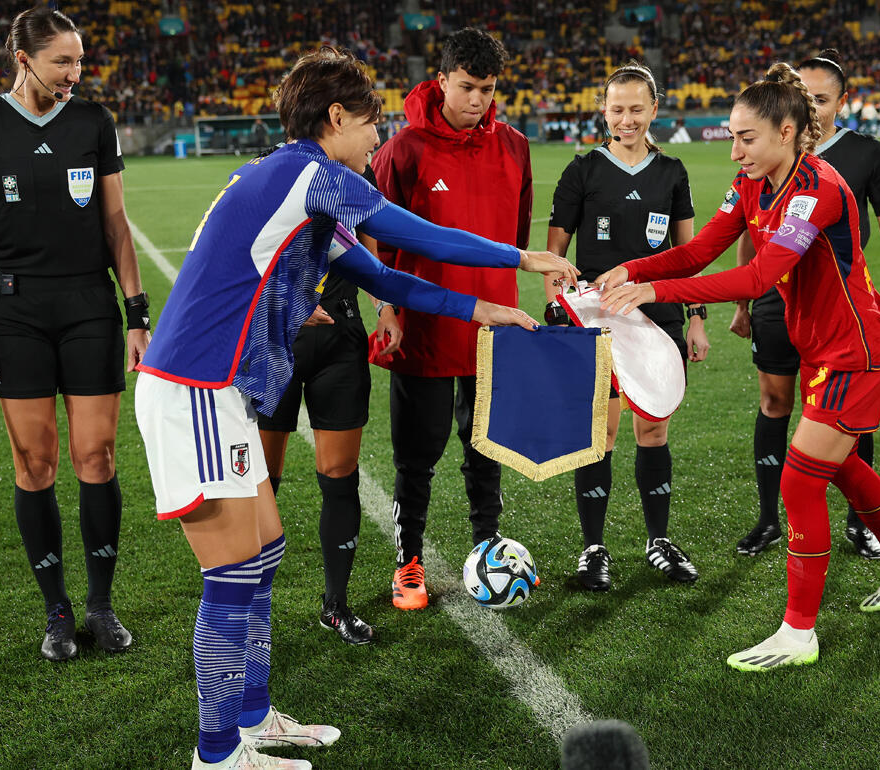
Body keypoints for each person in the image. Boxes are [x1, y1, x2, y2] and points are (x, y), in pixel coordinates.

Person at [133, 47, 576, 769]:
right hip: (196, 388)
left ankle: (253, 720)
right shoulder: (313, 175)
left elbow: (387, 278)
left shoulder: (298, 184)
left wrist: (481, 309)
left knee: (265, 549)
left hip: (219, 390)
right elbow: (415, 235)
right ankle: (216, 756)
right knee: (233, 574)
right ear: (335, 118)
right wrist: (522, 259)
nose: (378, 138)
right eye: (371, 124)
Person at [598, 62, 880, 670]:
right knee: (831, 468)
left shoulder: (819, 188)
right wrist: (635, 270)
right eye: (730, 135)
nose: (734, 151)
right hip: (826, 352)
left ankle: (799, 632)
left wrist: (657, 294)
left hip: (857, 351)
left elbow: (758, 276)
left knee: (800, 479)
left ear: (786, 131)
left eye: (745, 138)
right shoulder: (752, 182)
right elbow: (703, 249)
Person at [0, 6, 146, 662]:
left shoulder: (93, 121)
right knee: (35, 464)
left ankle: (101, 606)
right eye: (62, 61)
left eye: (79, 62)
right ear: (23, 58)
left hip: (90, 306)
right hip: (17, 314)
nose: (74, 73)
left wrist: (137, 313)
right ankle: (57, 612)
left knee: (97, 457)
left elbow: (117, 224)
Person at [729, 49, 880, 559]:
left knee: (843, 421)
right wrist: (744, 302)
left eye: (818, 99)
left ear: (839, 101)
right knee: (775, 404)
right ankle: (770, 519)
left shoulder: (858, 157)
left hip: (837, 312)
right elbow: (748, 233)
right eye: (801, 96)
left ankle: (862, 526)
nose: (807, 107)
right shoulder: (764, 160)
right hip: (776, 300)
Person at [371, 27, 533, 611]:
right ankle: (408, 561)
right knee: (418, 455)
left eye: (488, 89)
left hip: (496, 329)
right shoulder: (402, 151)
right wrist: (389, 309)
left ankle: (487, 548)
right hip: (426, 329)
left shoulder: (515, 146)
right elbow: (378, 250)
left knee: (485, 446)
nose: (478, 101)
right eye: (467, 87)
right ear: (441, 81)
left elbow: (514, 239)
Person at [545, 63, 707, 591]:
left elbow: (688, 256)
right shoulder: (582, 171)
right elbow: (555, 255)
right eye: (617, 109)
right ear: (604, 111)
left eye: (638, 109)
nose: (627, 119)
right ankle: (593, 551)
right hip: (599, 318)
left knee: (653, 428)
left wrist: (696, 319)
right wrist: (559, 306)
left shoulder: (673, 172)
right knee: (602, 434)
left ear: (654, 110)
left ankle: (658, 540)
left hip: (658, 315)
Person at [256, 161, 402, 645]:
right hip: (275, 338)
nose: (374, 141)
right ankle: (249, 601)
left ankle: (336, 604)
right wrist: (285, 303)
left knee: (340, 475)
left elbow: (370, 249)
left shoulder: (358, 177)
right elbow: (243, 251)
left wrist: (385, 307)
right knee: (261, 479)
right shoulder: (273, 168)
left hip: (340, 337)